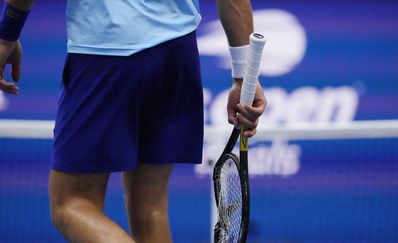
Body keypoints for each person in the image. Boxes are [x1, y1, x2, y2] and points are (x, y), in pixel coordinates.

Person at [0, 0, 266, 242]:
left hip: (105, 51)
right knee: (150, 207)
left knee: (71, 205)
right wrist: (244, 74)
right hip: (177, 52)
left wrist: (7, 32)